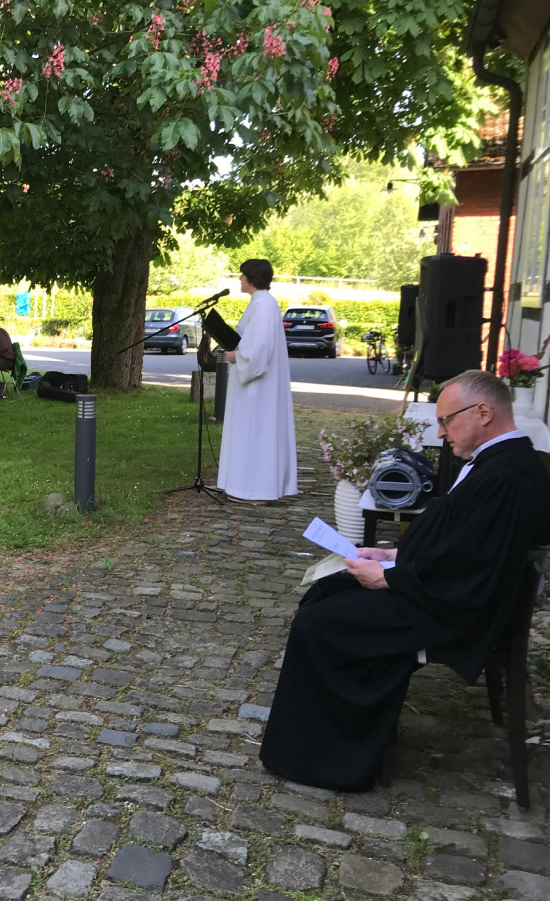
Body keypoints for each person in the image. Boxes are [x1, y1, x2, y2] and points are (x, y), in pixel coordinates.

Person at [259, 370, 550, 793]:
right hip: (440, 589)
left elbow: (473, 572)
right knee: (326, 591)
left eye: (447, 420)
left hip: (453, 609)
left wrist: (390, 579)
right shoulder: (501, 462)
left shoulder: (505, 476)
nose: (441, 431)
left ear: (484, 412)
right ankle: (328, 736)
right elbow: (463, 546)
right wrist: (395, 556)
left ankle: (332, 759)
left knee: (319, 624)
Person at [218, 258, 297, 501]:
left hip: (258, 387)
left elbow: (260, 348)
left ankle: (256, 489)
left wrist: (237, 357)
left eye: (242, 275)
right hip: (252, 385)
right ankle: (242, 486)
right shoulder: (259, 303)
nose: (240, 279)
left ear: (252, 278)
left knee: (256, 433)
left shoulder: (263, 305)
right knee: (248, 432)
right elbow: (248, 337)